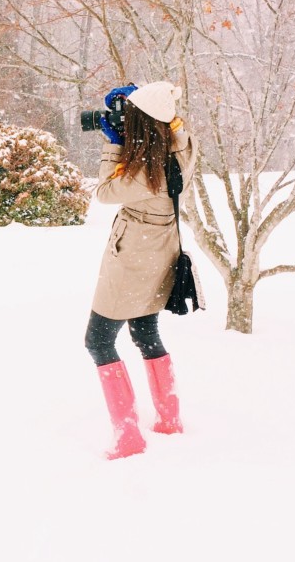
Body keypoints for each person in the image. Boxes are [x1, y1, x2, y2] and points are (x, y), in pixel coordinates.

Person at [84, 81, 196, 459]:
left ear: (141, 127)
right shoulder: (180, 152)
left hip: (132, 260)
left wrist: (113, 141)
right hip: (158, 257)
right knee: (146, 332)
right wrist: (143, 104)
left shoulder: (144, 174)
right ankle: (169, 419)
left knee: (98, 341)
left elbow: (103, 192)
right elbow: (176, 129)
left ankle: (128, 435)